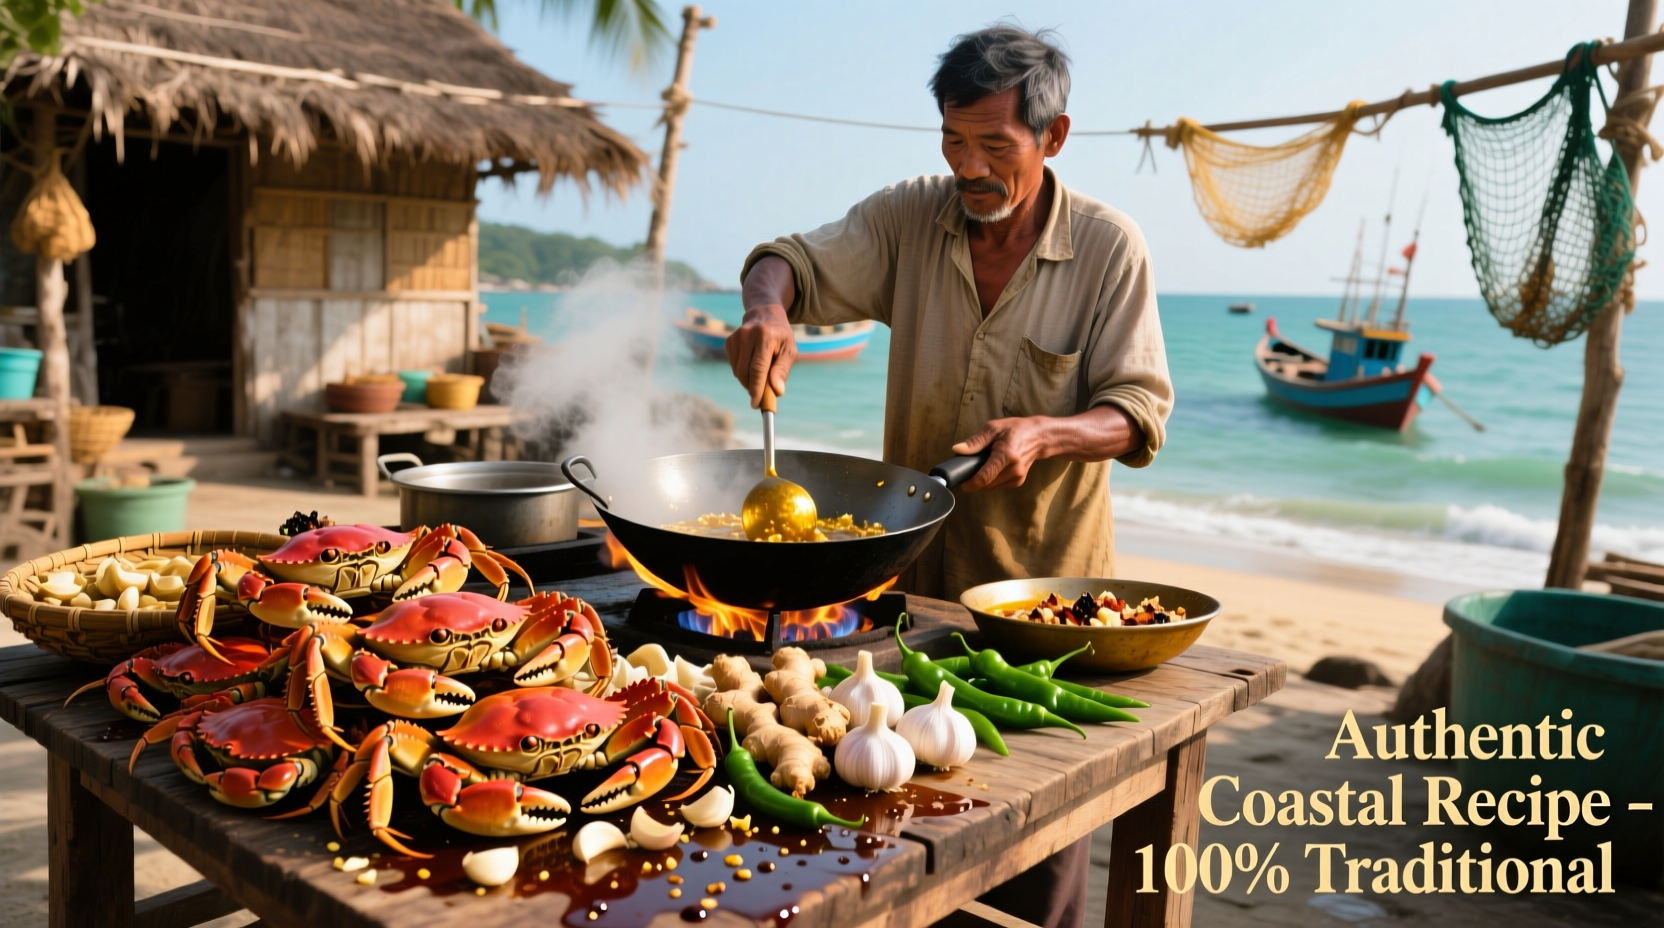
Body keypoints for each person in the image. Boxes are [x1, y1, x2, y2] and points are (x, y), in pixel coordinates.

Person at [726, 25, 1172, 928]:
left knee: (1033, 847)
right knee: (891, 833)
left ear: (1053, 137)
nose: (967, 167)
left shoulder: (1109, 248)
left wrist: (1048, 432)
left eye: (994, 146)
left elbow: (1137, 411)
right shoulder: (908, 218)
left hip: (1037, 606)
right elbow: (791, 260)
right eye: (952, 140)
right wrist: (767, 308)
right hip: (905, 590)